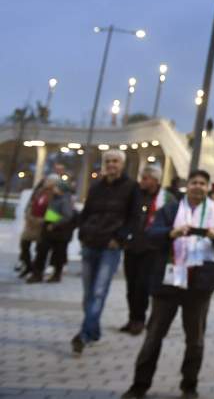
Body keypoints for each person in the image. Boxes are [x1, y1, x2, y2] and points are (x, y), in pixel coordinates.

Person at [121, 169, 214, 399]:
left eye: (203, 183)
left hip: (200, 284)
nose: (198, 187)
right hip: (168, 283)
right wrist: (171, 233)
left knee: (195, 339)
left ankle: (189, 385)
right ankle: (139, 385)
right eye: (194, 182)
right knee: (154, 336)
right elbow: (152, 235)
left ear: (208, 187)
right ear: (187, 185)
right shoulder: (171, 210)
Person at [73, 149, 139, 355]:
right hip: (90, 243)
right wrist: (82, 233)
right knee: (87, 294)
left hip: (110, 247)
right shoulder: (96, 187)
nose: (111, 164)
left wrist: (119, 238)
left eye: (115, 161)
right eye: (108, 161)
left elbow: (134, 219)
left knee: (99, 291)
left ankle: (83, 335)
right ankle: (93, 332)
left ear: (122, 164)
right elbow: (86, 213)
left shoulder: (131, 187)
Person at [120, 164, 172, 335]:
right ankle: (132, 317)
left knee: (143, 286)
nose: (141, 181)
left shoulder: (166, 199)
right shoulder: (135, 195)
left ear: (155, 181)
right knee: (131, 286)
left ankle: (139, 320)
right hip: (132, 246)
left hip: (152, 249)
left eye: (145, 178)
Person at [29, 175, 75, 283]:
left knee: (57, 254)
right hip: (48, 228)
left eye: (56, 187)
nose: (54, 189)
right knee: (41, 252)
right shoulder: (54, 198)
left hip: (58, 231)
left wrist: (54, 224)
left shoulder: (65, 200)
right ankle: (37, 273)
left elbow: (67, 216)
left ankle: (56, 275)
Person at [19, 176, 55, 278]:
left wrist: (45, 221)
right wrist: (28, 215)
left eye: (49, 182)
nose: (46, 183)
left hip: (42, 225)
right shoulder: (39, 192)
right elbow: (31, 204)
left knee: (40, 250)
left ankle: (37, 270)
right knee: (24, 244)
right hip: (31, 223)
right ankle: (28, 266)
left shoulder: (53, 196)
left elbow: (54, 210)